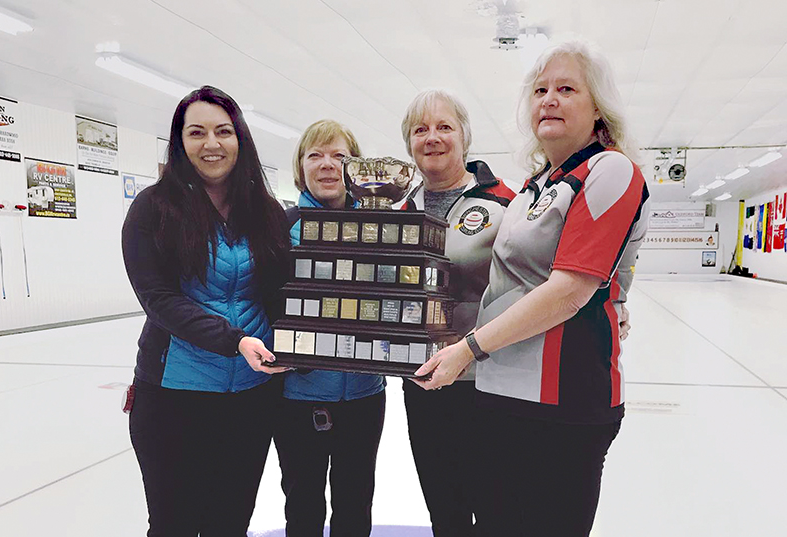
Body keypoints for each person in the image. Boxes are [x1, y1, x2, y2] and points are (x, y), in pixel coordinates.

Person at [415, 40, 650, 536]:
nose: (549, 99)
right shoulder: (537, 183)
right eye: (541, 90)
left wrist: (468, 348)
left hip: (566, 403)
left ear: (597, 108)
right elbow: (502, 275)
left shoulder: (610, 169)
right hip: (502, 394)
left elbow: (569, 289)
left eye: (567, 89)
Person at [122, 85, 291, 537]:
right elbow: (158, 299)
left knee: (230, 522)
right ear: (179, 141)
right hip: (174, 394)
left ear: (240, 139)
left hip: (250, 398)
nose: (211, 144)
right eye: (196, 132)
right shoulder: (152, 208)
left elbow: (283, 294)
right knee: (173, 523)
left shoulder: (267, 212)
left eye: (223, 131)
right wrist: (233, 340)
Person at [399, 89, 516, 537]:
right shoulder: (400, 210)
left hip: (487, 380)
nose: (432, 138)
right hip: (424, 381)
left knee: (494, 508)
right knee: (444, 511)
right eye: (420, 129)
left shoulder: (505, 203)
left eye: (444, 127)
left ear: (465, 137)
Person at [275, 119, 386, 537]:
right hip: (297, 396)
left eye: (339, 156)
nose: (327, 165)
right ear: (300, 166)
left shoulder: (382, 228)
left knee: (356, 503)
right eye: (315, 155)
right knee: (302, 504)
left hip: (364, 395)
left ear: (356, 167)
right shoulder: (280, 227)